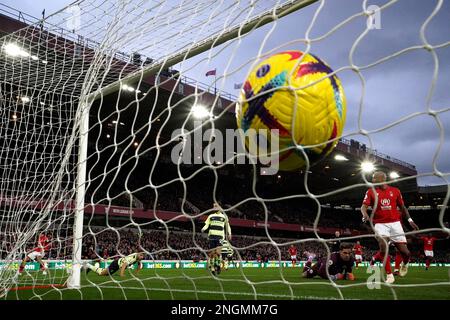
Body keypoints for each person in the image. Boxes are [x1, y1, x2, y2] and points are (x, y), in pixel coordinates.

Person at [361, 171, 419, 284]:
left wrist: (410, 220)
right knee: (383, 246)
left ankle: (405, 263)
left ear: (383, 178)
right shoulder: (370, 191)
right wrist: (365, 214)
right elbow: (363, 207)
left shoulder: (395, 191)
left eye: (375, 178)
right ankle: (389, 275)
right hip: (379, 224)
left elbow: (402, 207)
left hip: (395, 224)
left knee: (405, 253)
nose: (372, 181)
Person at [201, 202, 232, 275]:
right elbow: (207, 225)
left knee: (218, 253)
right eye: (213, 206)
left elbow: (227, 226)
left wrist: (229, 233)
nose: (214, 207)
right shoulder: (210, 216)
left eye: (215, 206)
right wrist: (203, 229)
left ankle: (217, 265)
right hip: (211, 237)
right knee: (212, 254)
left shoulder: (224, 216)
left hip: (220, 237)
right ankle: (212, 268)